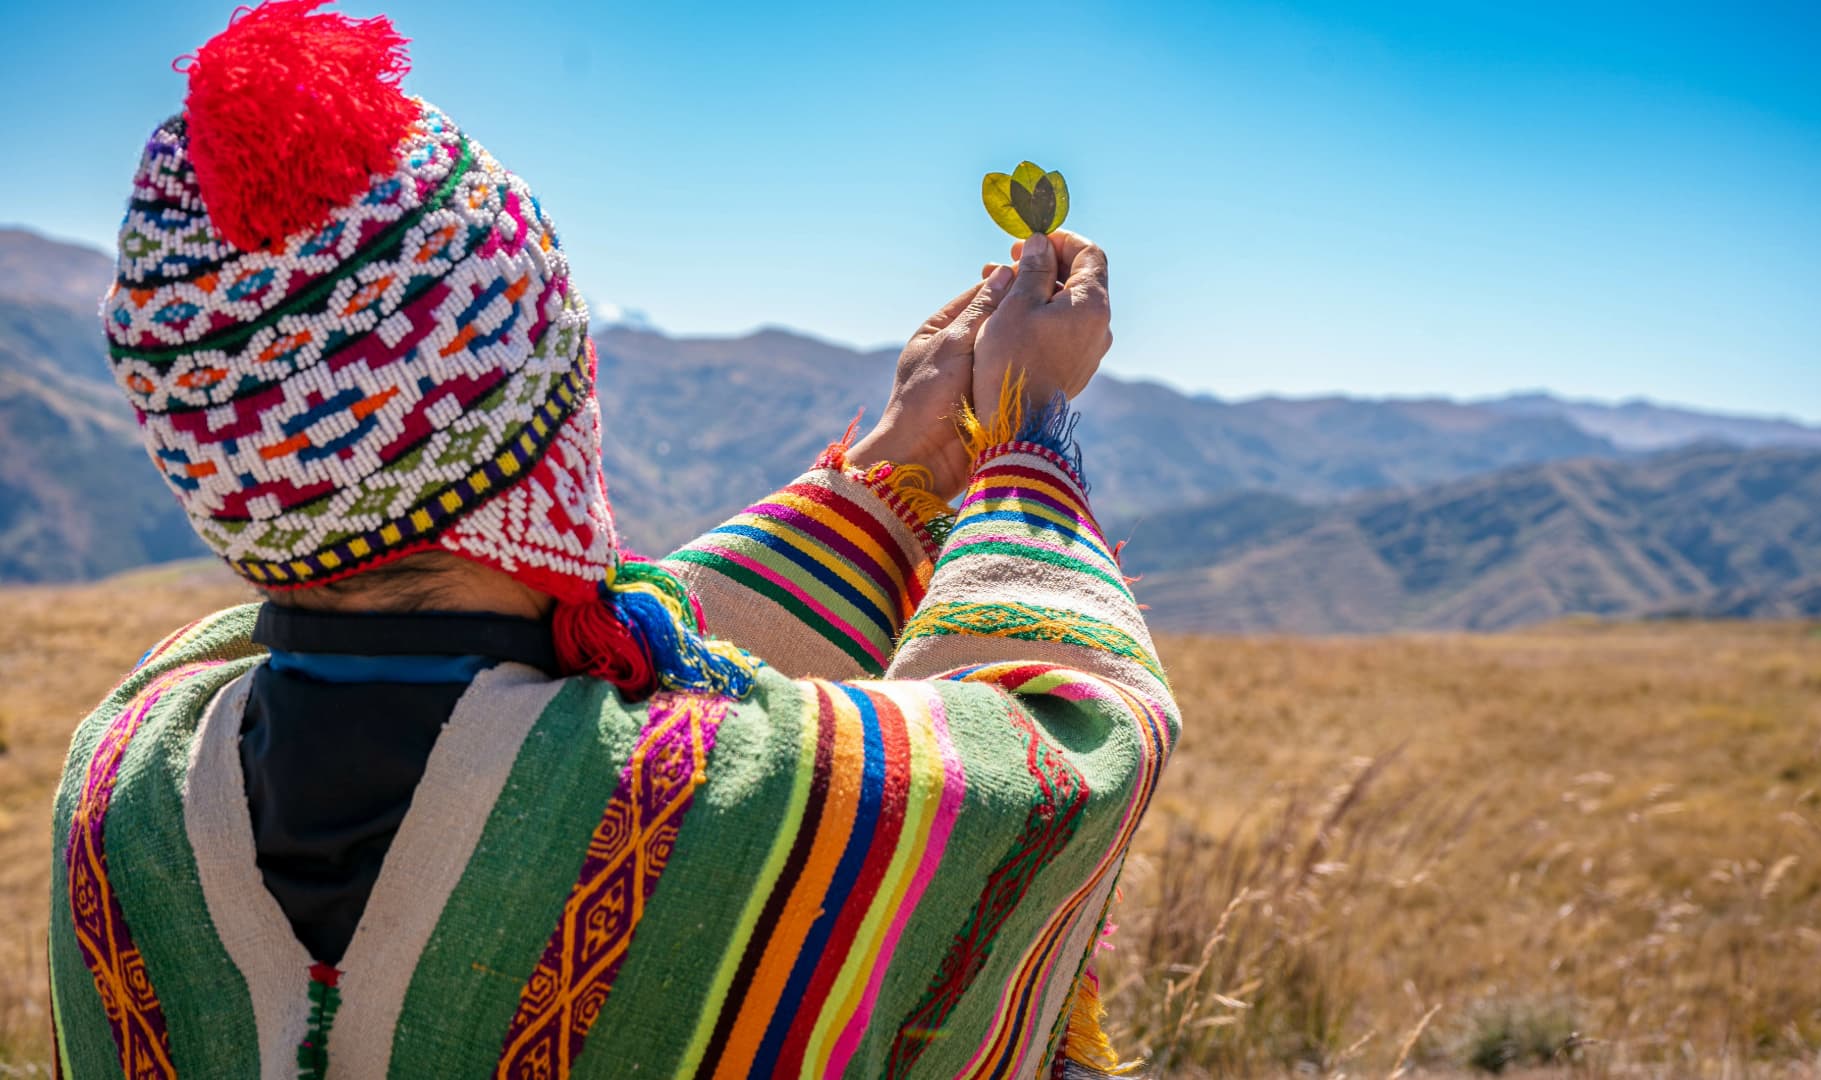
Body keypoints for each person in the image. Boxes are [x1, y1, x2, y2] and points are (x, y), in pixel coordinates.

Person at [47, 2, 1179, 1077]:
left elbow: (649, 635)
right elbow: (1068, 755)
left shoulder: (127, 771)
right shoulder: (717, 818)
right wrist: (1024, 434)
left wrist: (899, 468)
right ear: (545, 418)